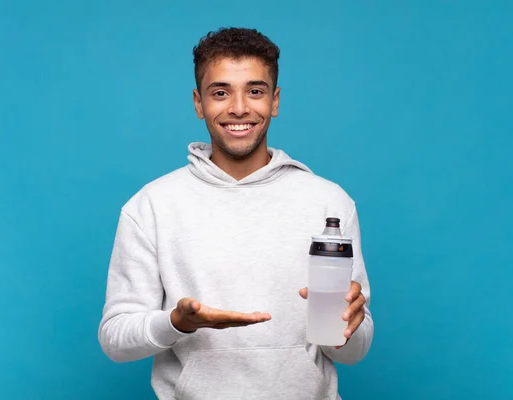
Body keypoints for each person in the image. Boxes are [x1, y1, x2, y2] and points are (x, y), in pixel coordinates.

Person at [98, 27, 373, 400]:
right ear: (199, 103)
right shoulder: (151, 206)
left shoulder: (329, 204)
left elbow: (353, 354)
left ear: (275, 101)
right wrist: (176, 323)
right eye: (221, 92)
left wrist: (349, 326)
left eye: (255, 91)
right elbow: (115, 340)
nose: (239, 107)